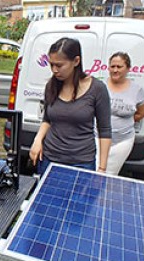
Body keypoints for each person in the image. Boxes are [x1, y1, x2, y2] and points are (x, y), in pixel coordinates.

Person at [30, 37, 112, 175]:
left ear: (76, 61)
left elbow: (104, 130)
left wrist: (102, 169)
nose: (55, 70)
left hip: (81, 162)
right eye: (52, 65)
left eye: (59, 65)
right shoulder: (51, 86)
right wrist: (37, 140)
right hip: (49, 159)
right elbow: (47, 119)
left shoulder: (97, 89)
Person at [105, 52, 144, 176]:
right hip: (97, 138)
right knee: (95, 170)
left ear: (128, 68)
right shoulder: (100, 86)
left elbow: (141, 113)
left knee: (110, 174)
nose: (115, 70)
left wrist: (123, 123)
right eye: (112, 66)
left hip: (122, 142)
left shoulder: (137, 90)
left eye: (119, 67)